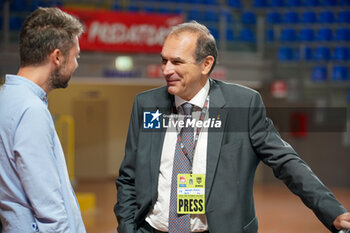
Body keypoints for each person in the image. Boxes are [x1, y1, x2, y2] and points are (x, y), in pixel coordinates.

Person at [114, 21, 350, 233]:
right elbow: (128, 176)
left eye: (176, 62)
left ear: (206, 64)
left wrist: (332, 211)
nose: (166, 70)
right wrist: (127, 228)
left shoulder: (242, 105)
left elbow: (286, 162)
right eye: (164, 60)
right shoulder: (147, 105)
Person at [0, 7, 86, 233]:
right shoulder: (31, 110)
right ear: (57, 57)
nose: (76, 64)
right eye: (75, 56)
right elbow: (49, 209)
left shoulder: (6, 98)